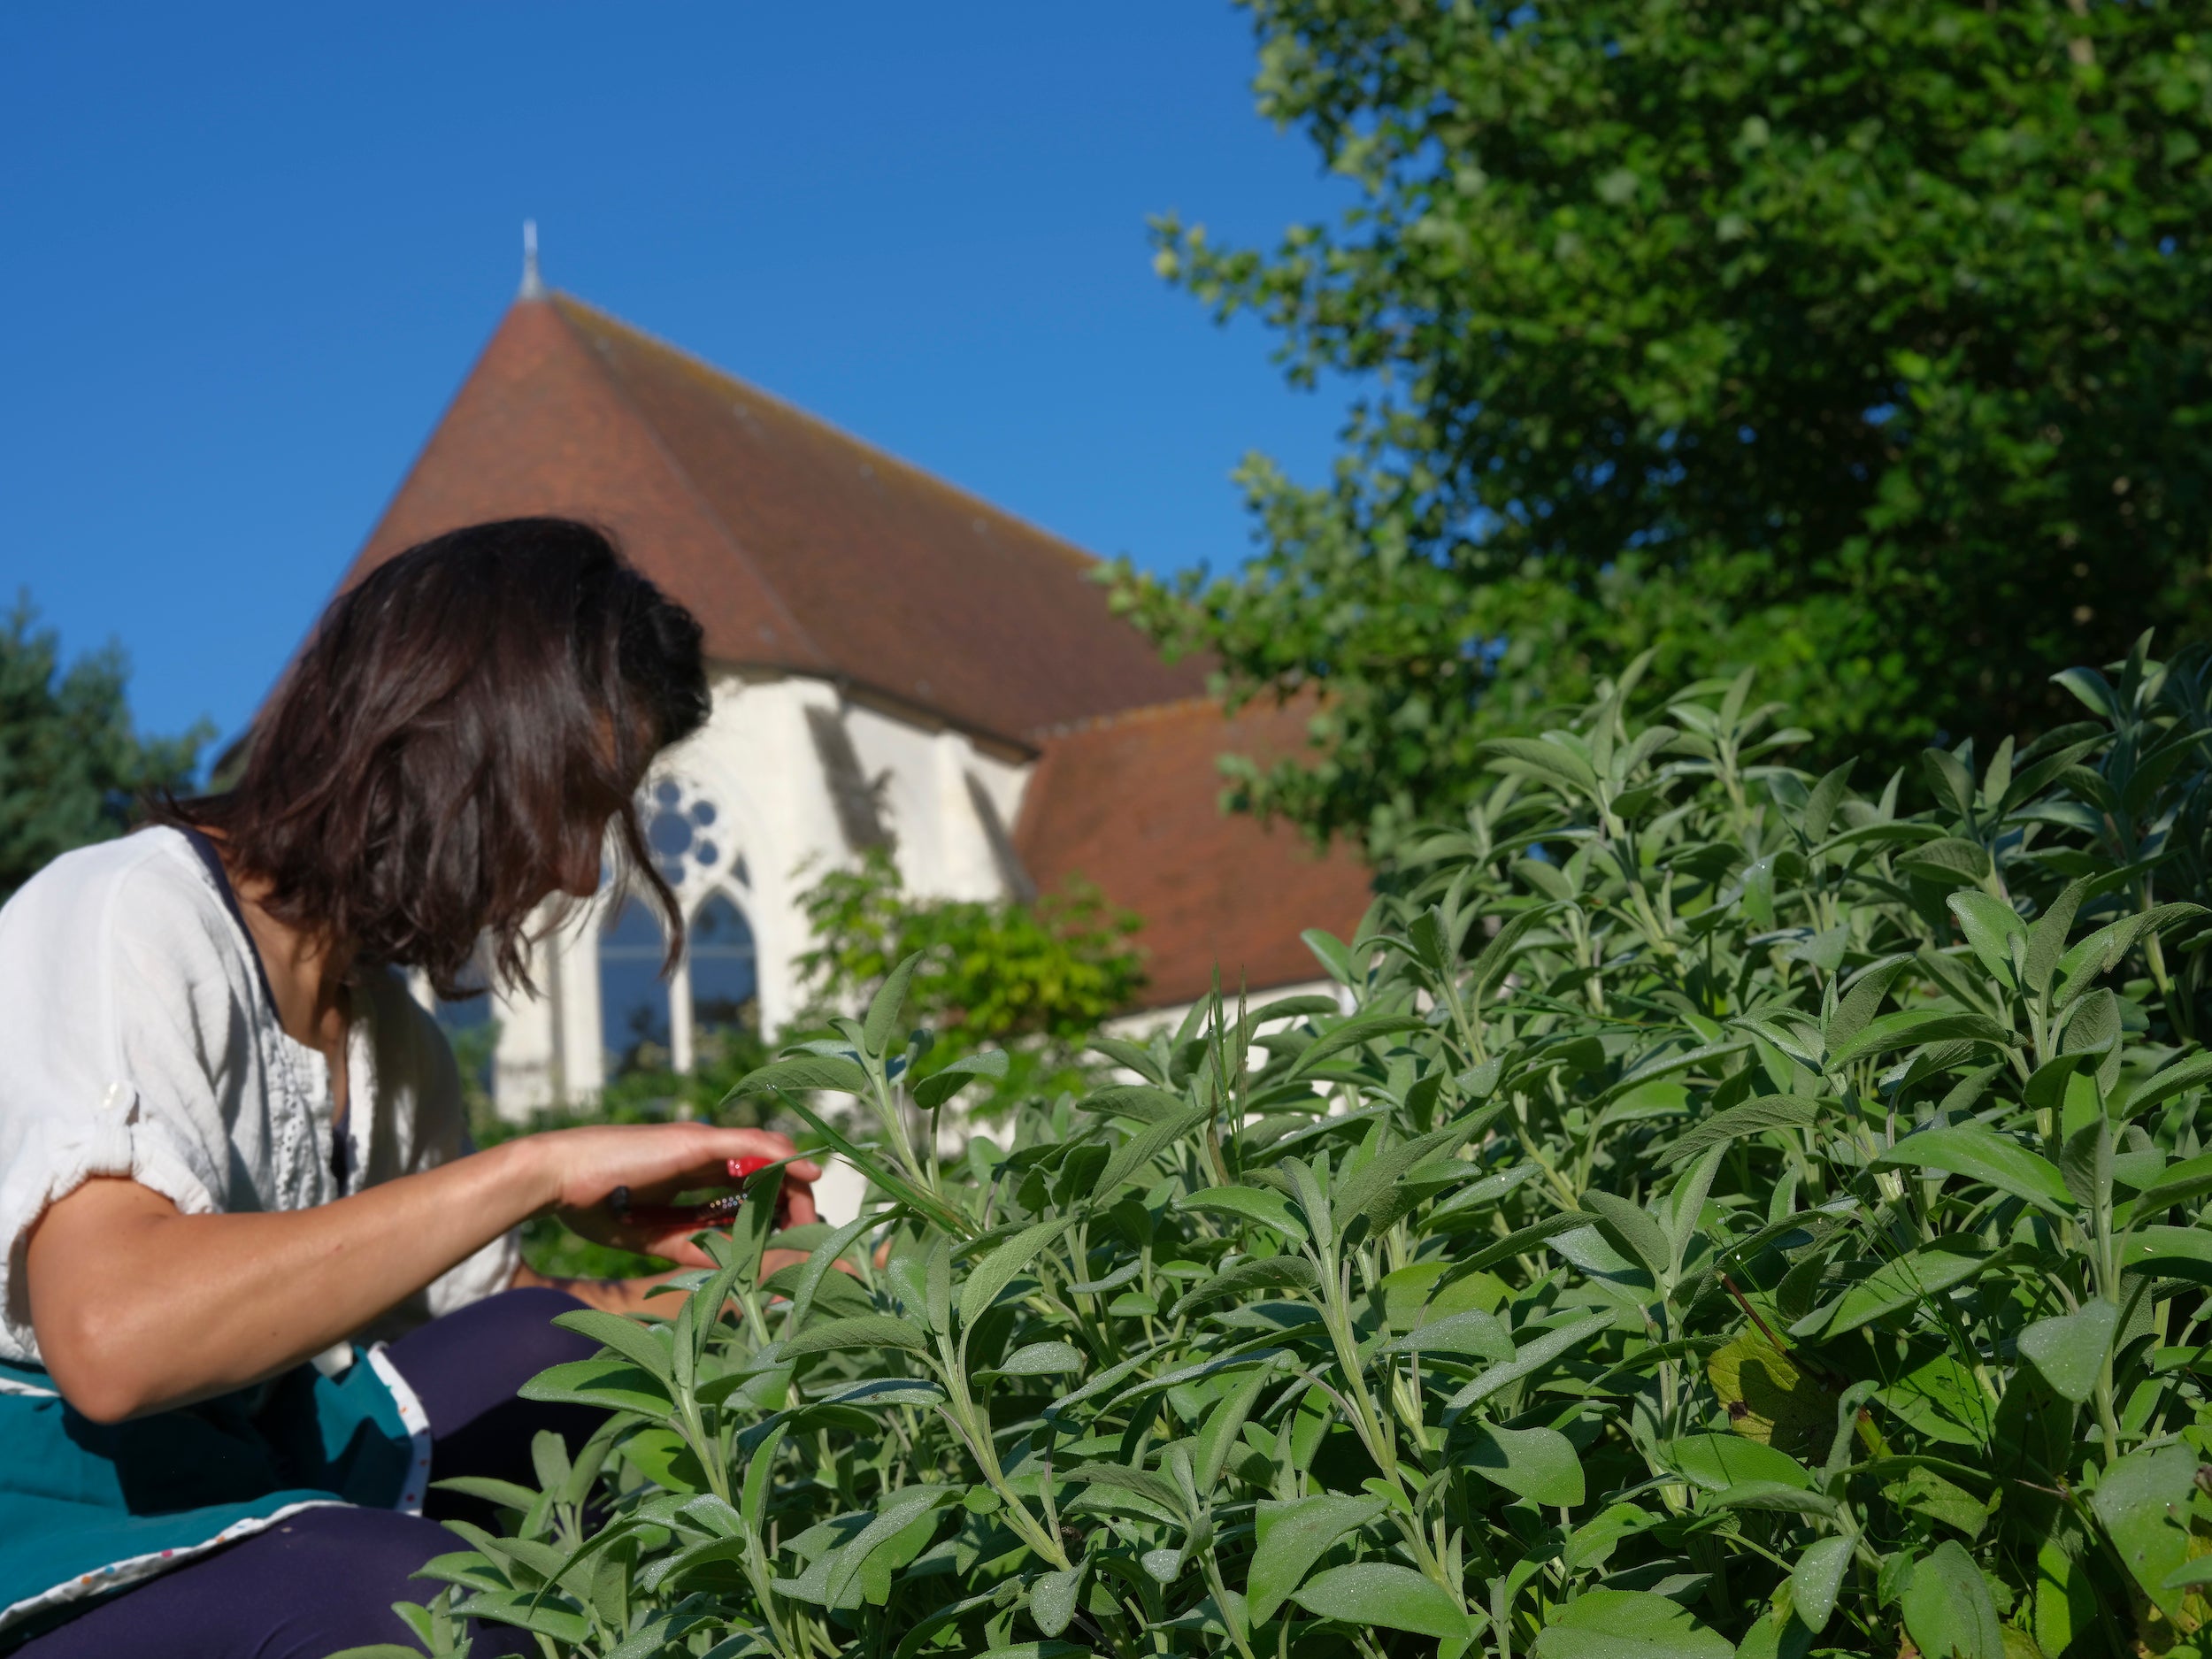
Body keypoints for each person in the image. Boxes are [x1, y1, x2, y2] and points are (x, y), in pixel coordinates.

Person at [0, 519, 819, 1656]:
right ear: (454, 734)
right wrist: (536, 1167)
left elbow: (514, 1331)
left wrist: (782, 1282)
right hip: (45, 1551)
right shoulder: (125, 912)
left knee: (571, 1367)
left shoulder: (393, 1043)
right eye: (575, 795)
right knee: (414, 1605)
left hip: (250, 1496)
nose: (581, 867)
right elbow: (110, 1339)